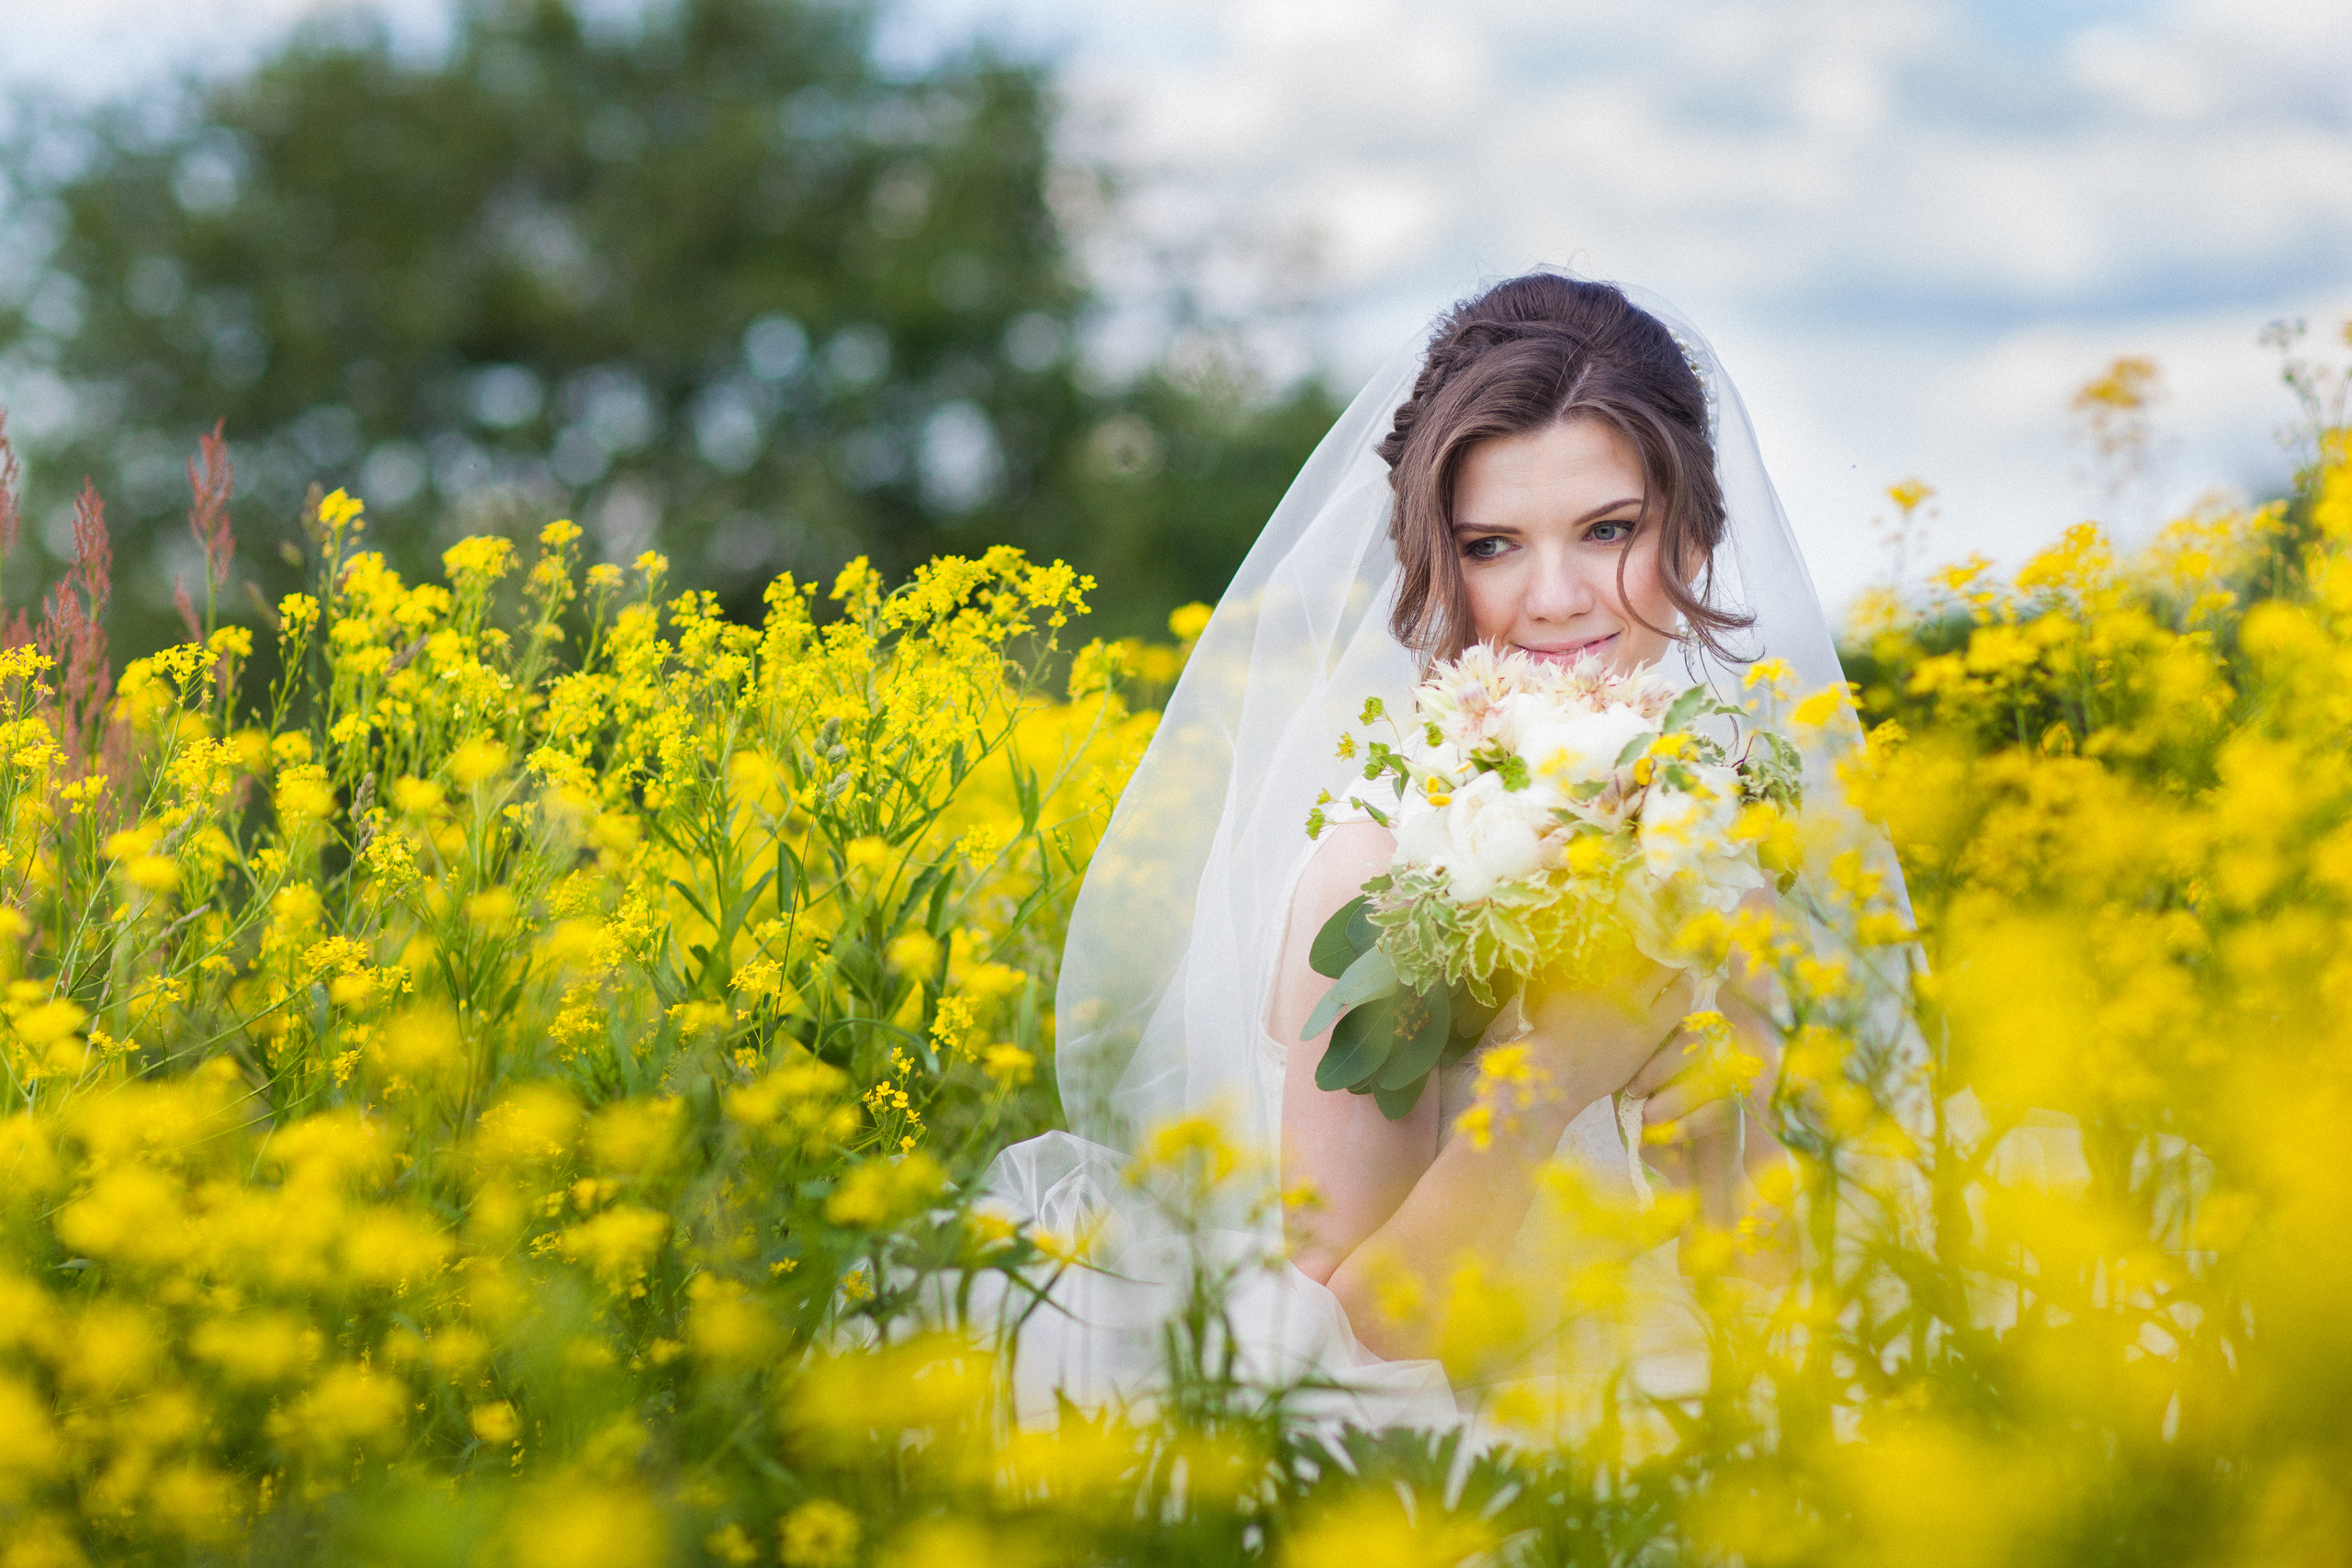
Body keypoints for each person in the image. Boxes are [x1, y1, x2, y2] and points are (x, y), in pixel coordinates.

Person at [977, 271, 1871, 1433]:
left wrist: (1715, 1148)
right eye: (1493, 544)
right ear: (1433, 561)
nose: (1553, 597)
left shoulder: (1718, 846)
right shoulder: (1386, 870)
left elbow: (1768, 1297)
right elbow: (1346, 1339)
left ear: (1693, 533)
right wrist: (1550, 1082)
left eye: (1608, 530)